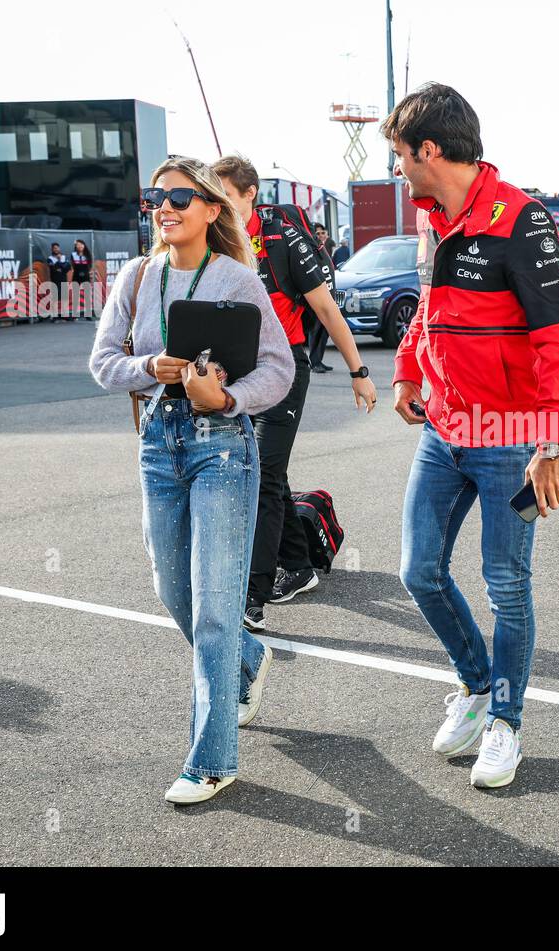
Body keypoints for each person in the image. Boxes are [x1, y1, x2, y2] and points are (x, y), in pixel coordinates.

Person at [384, 83, 559, 789]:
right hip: (444, 429)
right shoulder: (431, 219)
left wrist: (551, 442)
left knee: (506, 584)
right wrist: (408, 373)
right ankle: (474, 687)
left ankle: (505, 722)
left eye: (401, 156)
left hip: (509, 436)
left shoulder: (521, 221)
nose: (397, 168)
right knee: (418, 570)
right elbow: (428, 312)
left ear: (429, 150)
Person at [89, 156, 294, 805]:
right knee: (172, 589)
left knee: (213, 606)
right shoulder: (138, 274)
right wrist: (150, 364)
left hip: (222, 447)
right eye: (159, 195)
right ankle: (248, 660)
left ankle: (211, 760)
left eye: (182, 195)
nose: (166, 205)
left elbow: (279, 368)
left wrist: (226, 397)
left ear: (210, 208)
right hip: (158, 441)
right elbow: (102, 363)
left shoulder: (237, 277)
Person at [212, 153, 378, 633]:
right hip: (234, 378)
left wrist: (359, 370)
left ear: (249, 195)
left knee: (260, 476)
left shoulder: (283, 238)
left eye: (225, 196)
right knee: (272, 474)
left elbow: (326, 309)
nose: (216, 205)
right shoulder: (214, 242)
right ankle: (299, 565)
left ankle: (252, 596)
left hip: (284, 372)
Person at [305, 227, 336, 374]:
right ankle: (314, 362)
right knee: (315, 330)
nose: (321, 236)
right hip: (318, 296)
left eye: (323, 233)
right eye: (318, 234)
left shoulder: (328, 248)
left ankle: (319, 360)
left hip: (330, 295)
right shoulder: (311, 248)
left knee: (325, 331)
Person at [46, 243, 71, 320]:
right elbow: (53, 269)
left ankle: (65, 315)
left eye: (57, 248)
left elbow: (67, 268)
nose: (56, 249)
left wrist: (59, 264)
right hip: (55, 280)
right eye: (54, 248)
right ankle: (54, 316)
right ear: (52, 249)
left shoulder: (63, 257)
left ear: (59, 249)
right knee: (55, 299)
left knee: (64, 299)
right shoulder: (50, 258)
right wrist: (60, 264)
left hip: (63, 280)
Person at [70, 239, 92, 318]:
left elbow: (90, 266)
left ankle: (88, 314)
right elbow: (73, 265)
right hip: (76, 276)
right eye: (78, 245)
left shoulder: (87, 255)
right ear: (76, 246)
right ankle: (75, 314)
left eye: (81, 244)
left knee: (87, 296)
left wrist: (85, 273)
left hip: (85, 276)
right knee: (75, 295)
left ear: (84, 245)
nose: (80, 246)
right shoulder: (73, 254)